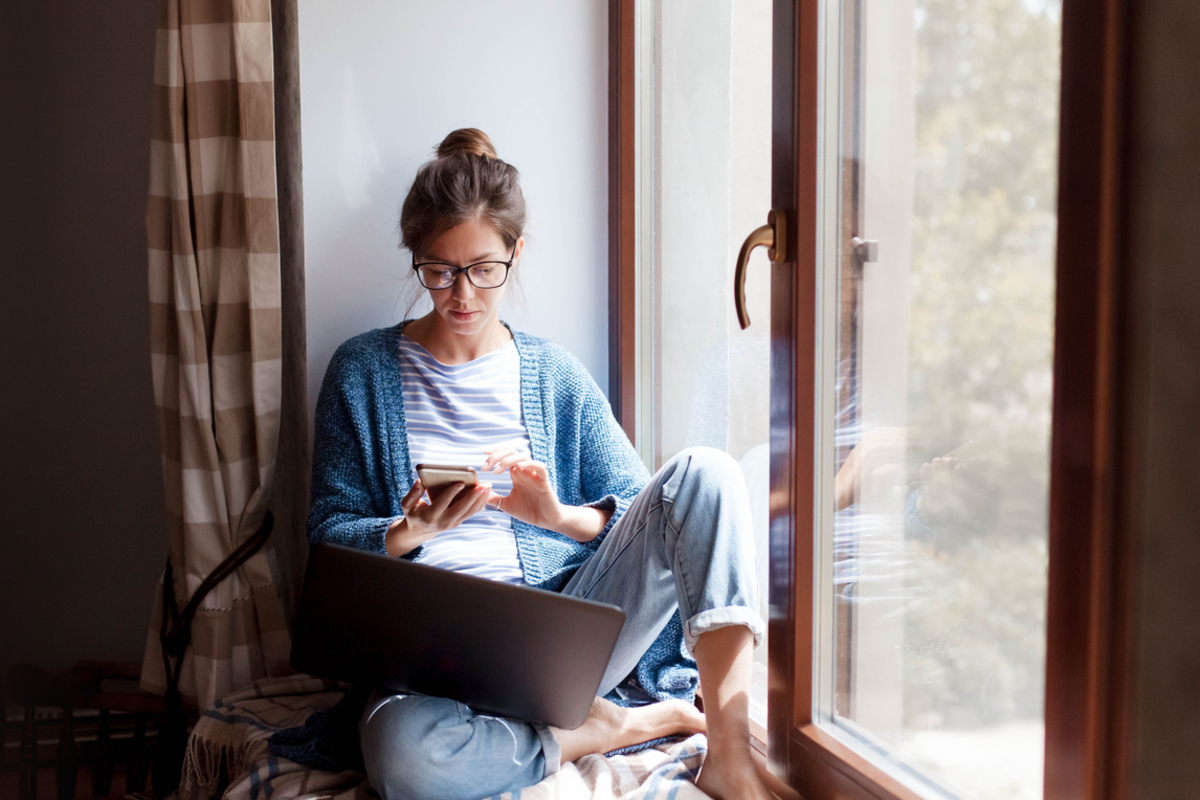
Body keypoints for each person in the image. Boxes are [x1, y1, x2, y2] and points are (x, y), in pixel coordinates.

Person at [308, 128, 779, 800]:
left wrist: (558, 516)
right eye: (439, 271)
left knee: (706, 473)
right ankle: (602, 732)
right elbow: (325, 536)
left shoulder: (552, 375)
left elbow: (656, 514)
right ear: (415, 260)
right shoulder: (361, 372)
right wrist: (408, 532)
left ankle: (730, 752)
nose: (462, 294)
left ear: (515, 253)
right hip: (425, 663)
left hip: (558, 640)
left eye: (483, 269)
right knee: (405, 763)